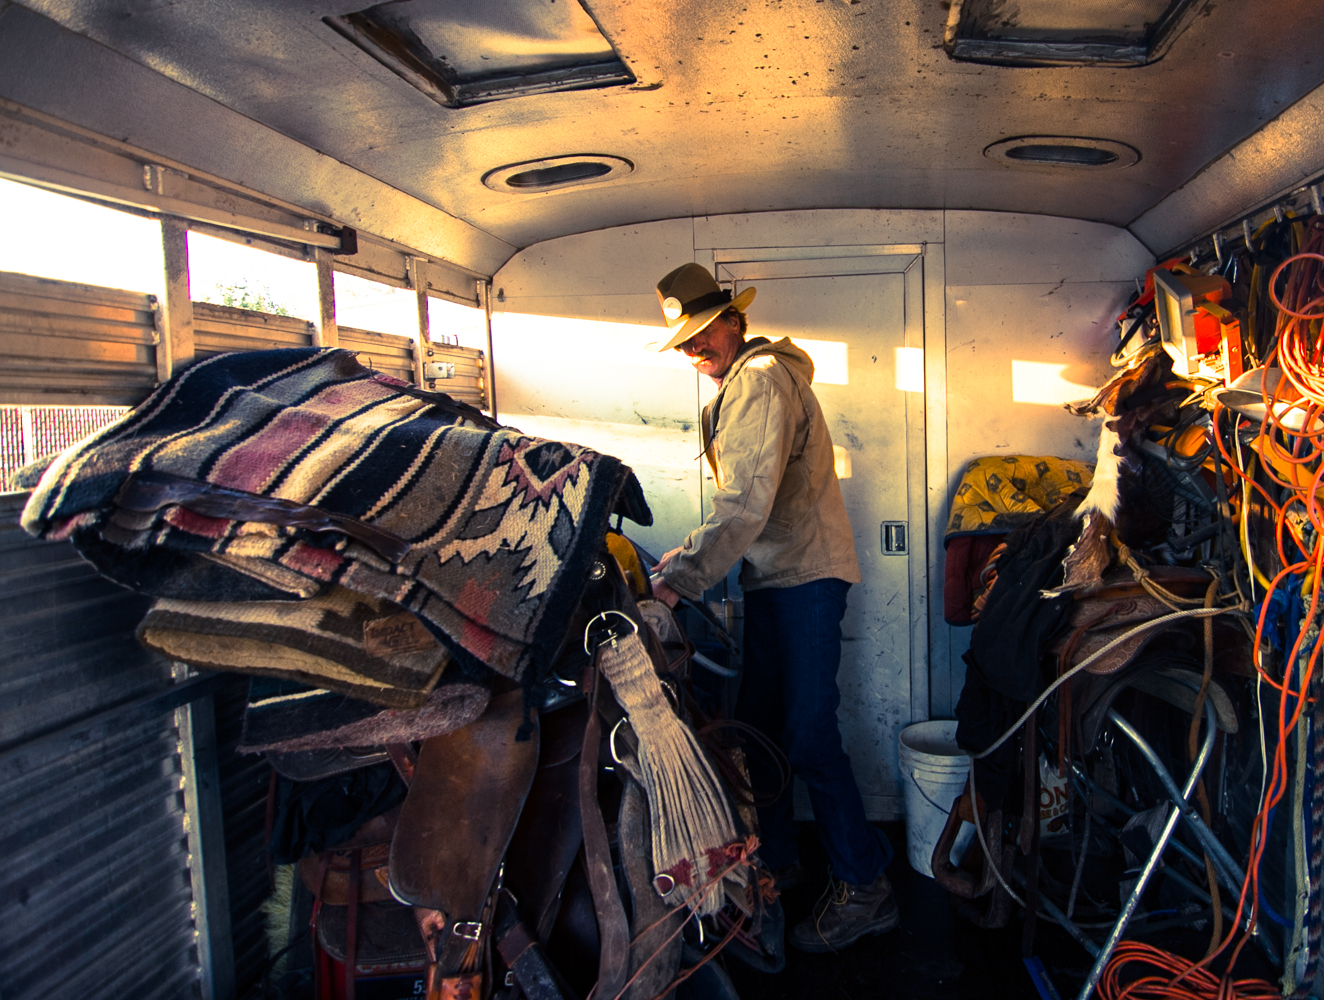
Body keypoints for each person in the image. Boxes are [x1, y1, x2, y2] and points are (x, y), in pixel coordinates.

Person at [647, 263, 898, 953]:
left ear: (734, 321)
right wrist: (686, 559)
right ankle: (778, 863)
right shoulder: (742, 382)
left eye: (704, 333)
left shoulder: (758, 380)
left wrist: (682, 577)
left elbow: (746, 500)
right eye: (685, 343)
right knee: (758, 729)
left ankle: (866, 885)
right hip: (774, 579)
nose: (695, 349)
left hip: (805, 579)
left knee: (809, 735)